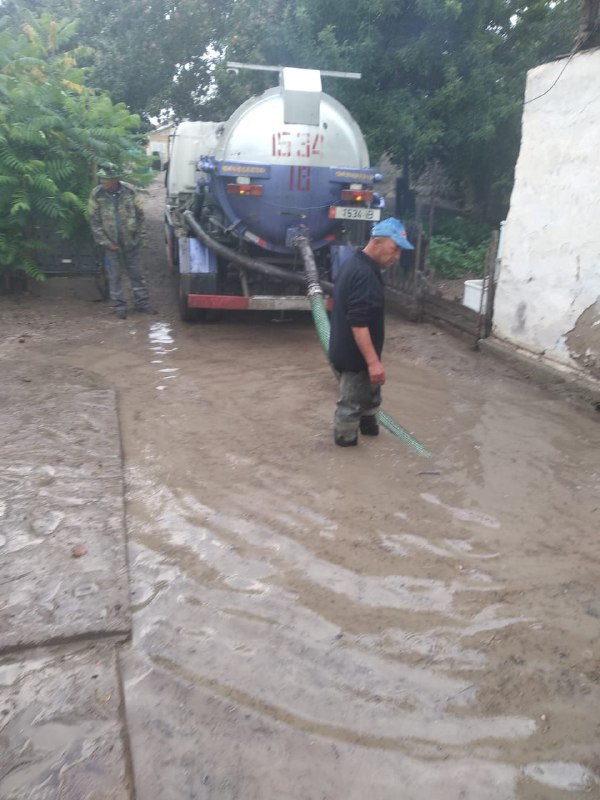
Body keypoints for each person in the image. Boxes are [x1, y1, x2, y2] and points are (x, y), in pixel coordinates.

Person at [328, 217, 414, 447]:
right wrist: (373, 363)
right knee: (351, 406)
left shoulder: (356, 263)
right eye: (394, 249)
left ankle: (369, 429)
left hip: (350, 353)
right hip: (355, 360)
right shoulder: (364, 275)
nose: (397, 257)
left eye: (400, 251)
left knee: (369, 396)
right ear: (377, 243)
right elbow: (359, 324)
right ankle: (346, 447)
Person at [88, 163, 155, 319]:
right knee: (114, 276)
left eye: (105, 179)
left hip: (131, 242)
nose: (102, 181)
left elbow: (140, 215)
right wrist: (107, 243)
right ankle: (119, 307)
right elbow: (94, 222)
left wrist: (139, 237)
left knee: (137, 274)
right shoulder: (96, 194)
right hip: (111, 245)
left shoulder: (130, 191)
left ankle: (142, 304)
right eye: (101, 178)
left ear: (115, 179)